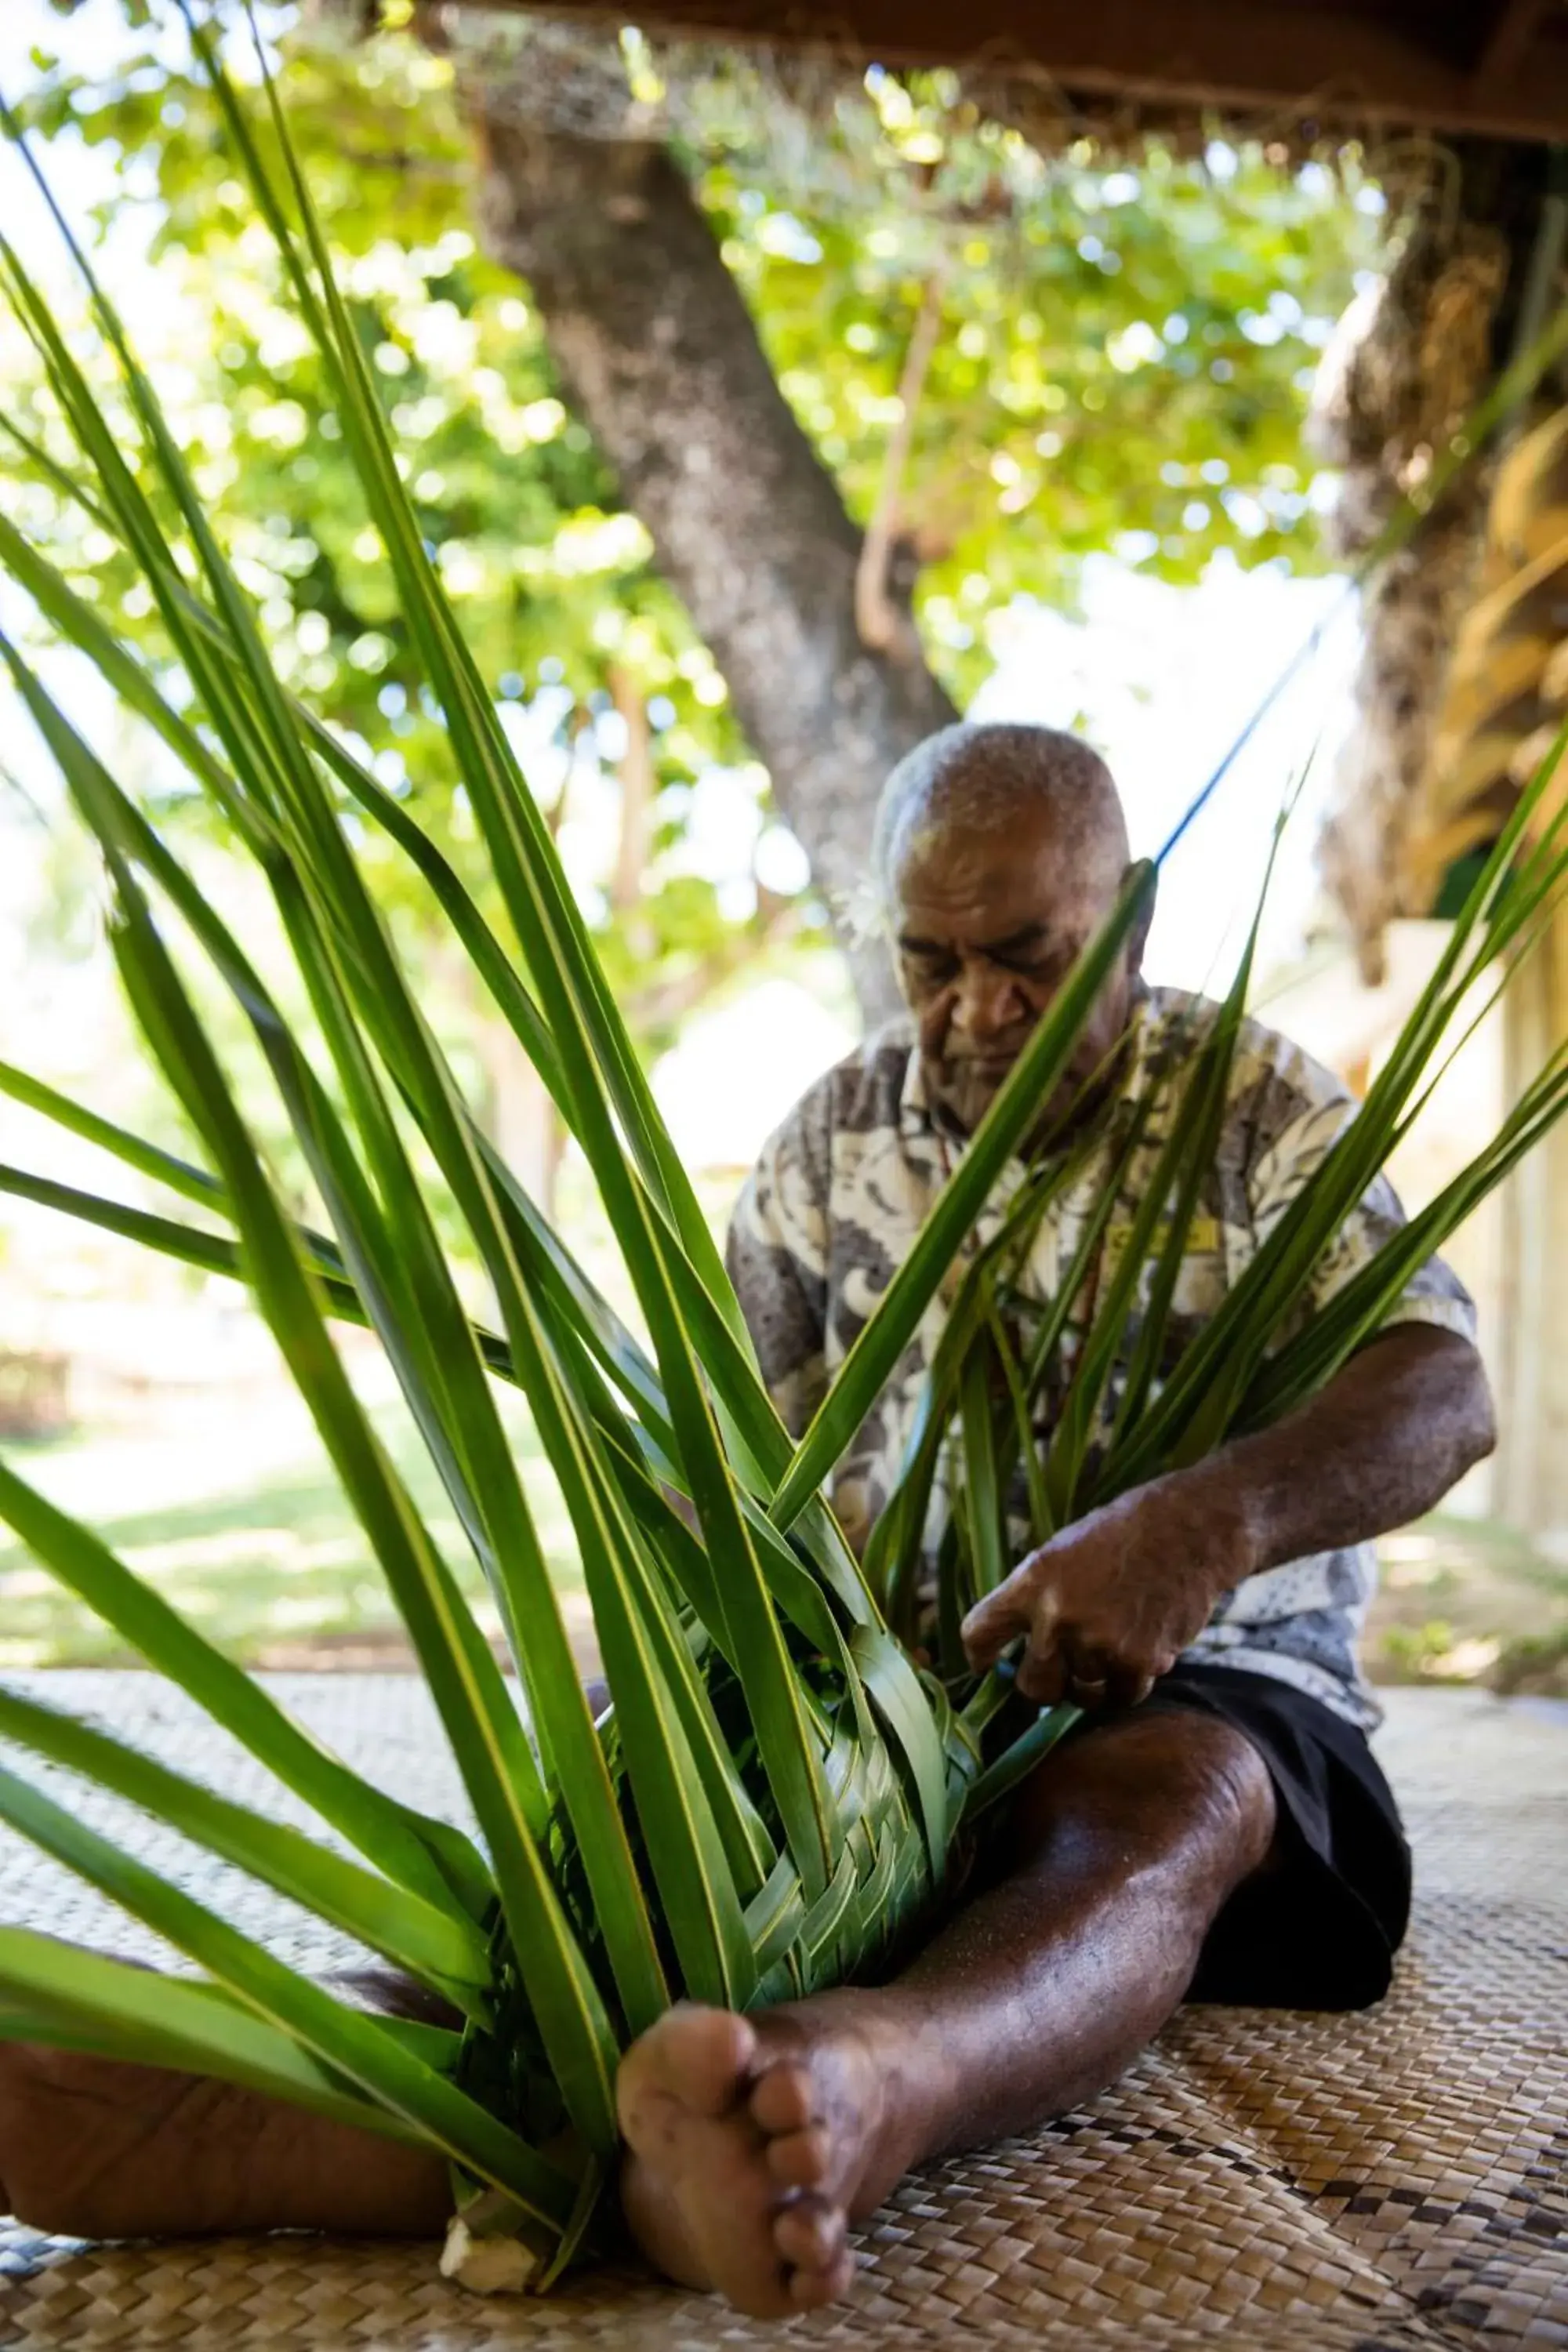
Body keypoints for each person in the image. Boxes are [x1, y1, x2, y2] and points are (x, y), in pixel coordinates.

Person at [0, 722, 1494, 2320]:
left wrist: (1199, 1527)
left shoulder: (1253, 1103)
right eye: (929, 960)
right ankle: (364, 2084)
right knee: (629, 1878)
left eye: (1028, 960)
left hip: (1197, 1696)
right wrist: (639, 1713)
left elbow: (1439, 1385)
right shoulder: (828, 1142)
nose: (972, 1011)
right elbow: (704, 1479)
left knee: (1161, 1802)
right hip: (867, 1735)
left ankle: (862, 2083)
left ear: (1122, 920)